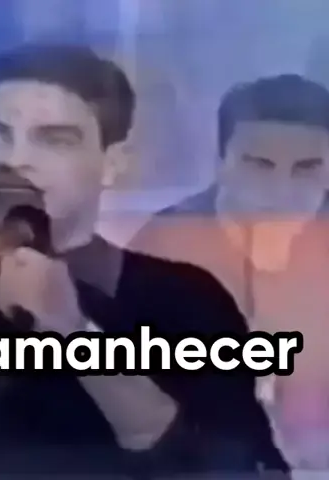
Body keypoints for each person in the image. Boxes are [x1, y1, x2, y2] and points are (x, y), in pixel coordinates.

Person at [0, 44, 286, 476]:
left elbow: (237, 470)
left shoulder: (182, 301)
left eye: (53, 140)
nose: (14, 160)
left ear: (112, 163)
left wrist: (75, 334)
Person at [130, 74, 329, 469]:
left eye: (306, 169)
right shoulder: (163, 247)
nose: (282, 191)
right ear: (220, 164)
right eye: (260, 166)